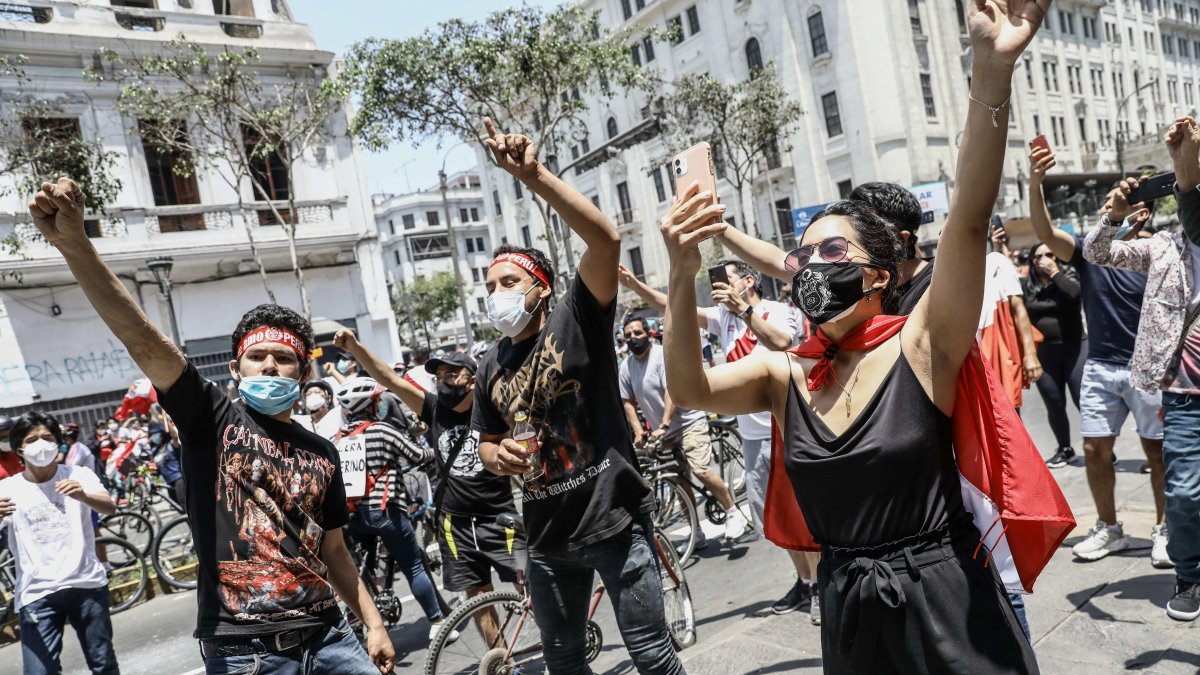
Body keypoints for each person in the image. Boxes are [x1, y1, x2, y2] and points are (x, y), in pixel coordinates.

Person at [661, 3, 1049, 671]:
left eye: (833, 252)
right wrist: (679, 271)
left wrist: (992, 71)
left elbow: (966, 217)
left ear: (880, 273)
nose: (813, 267)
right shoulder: (782, 373)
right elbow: (689, 386)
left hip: (947, 604)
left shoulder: (922, 345)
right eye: (803, 256)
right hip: (847, 609)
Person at [27, 177, 395, 673]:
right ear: (234, 370)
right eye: (257, 356)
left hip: (330, 637)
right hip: (248, 653)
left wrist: (373, 624)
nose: (270, 365)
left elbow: (335, 551)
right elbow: (143, 340)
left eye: (284, 357)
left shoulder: (321, 453)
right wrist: (76, 245)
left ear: (303, 373)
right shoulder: (213, 420)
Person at [471, 118, 683, 675]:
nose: (496, 294)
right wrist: (499, 457)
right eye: (489, 287)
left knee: (651, 656)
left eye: (508, 283)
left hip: (612, 521)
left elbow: (606, 241)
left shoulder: (576, 317)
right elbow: (485, 442)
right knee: (562, 661)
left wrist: (534, 176)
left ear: (540, 289)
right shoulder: (489, 363)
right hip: (546, 537)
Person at [619, 258, 820, 622]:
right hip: (752, 436)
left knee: (803, 514)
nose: (719, 286)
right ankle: (804, 582)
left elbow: (782, 342)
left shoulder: (775, 310)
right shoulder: (720, 318)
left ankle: (821, 585)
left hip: (787, 428)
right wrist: (635, 286)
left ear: (748, 281)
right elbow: (671, 305)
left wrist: (744, 311)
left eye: (727, 279)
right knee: (775, 518)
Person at [334, 330, 526, 649]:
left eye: (451, 373)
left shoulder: (492, 408)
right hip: (455, 524)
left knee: (528, 584)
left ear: (472, 378)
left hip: (500, 518)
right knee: (478, 595)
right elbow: (389, 379)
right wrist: (355, 348)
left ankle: (556, 644)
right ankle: (502, 660)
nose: (443, 381)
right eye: (438, 376)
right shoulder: (434, 408)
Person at [1082, 114, 1200, 621]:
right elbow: (1096, 251)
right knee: (1183, 491)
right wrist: (1112, 217)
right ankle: (1189, 575)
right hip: (1184, 393)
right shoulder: (1163, 246)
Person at [1029, 146, 1168, 567]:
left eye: (1116, 203)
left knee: (1157, 453)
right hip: (1101, 365)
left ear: (1140, 212)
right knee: (1093, 449)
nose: (1107, 208)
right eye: (1106, 203)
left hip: (1149, 369)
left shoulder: (1158, 252)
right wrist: (1035, 183)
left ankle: (1164, 529)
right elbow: (1045, 231)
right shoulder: (1089, 252)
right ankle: (1109, 528)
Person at [333, 377, 452, 641]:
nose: (381, 404)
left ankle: (358, 616)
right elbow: (418, 455)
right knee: (413, 567)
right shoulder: (382, 430)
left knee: (359, 570)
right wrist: (440, 450)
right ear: (371, 405)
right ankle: (437, 622)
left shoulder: (337, 439)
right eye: (378, 401)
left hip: (352, 516)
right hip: (386, 511)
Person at [1, 411, 120, 675]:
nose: (41, 444)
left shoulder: (78, 474)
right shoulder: (7, 489)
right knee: (39, 671)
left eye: (47, 437)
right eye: (32, 440)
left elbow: (109, 507)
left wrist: (84, 495)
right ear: (19, 449)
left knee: (103, 664)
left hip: (86, 584)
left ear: (57, 443)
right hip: (36, 592)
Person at [619, 316, 749, 544]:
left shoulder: (661, 355)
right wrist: (638, 431)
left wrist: (664, 424)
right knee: (679, 481)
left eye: (637, 333)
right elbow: (627, 401)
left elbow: (672, 390)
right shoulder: (626, 367)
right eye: (628, 335)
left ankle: (732, 511)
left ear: (649, 333)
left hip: (689, 422)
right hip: (664, 433)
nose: (633, 339)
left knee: (701, 470)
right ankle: (695, 531)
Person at [1021, 239, 1086, 468]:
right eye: (1038, 256)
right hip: (1045, 353)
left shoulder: (1069, 277)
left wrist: (1055, 272)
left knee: (1083, 399)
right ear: (1032, 261)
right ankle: (1064, 448)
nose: (1044, 259)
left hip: (1075, 348)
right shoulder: (1026, 286)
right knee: (1054, 402)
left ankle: (1100, 447)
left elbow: (1074, 294)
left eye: (1050, 254)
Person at [980, 231, 1043, 411]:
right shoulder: (948, 275)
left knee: (1006, 415)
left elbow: (1019, 309)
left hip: (996, 353)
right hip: (969, 361)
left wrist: (1030, 355)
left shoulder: (997, 263)